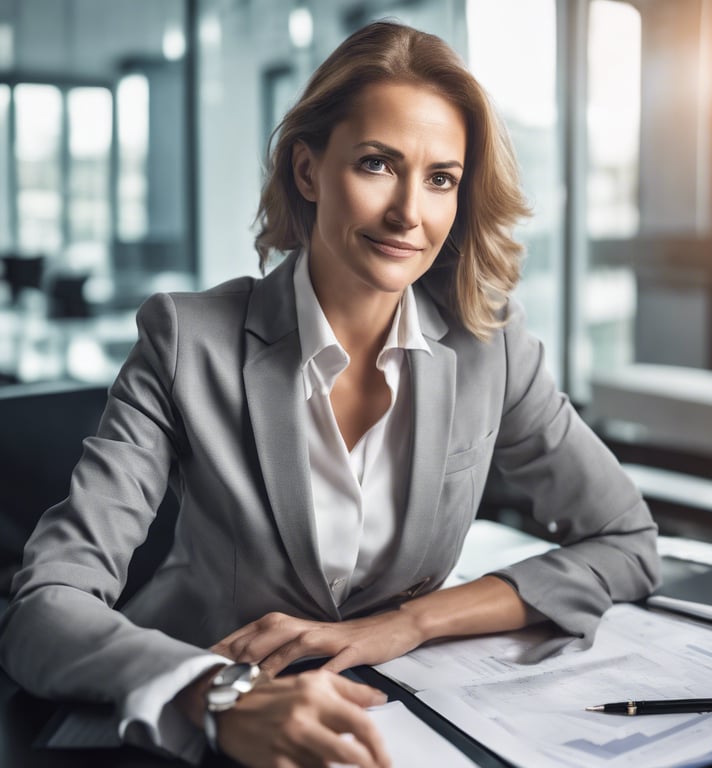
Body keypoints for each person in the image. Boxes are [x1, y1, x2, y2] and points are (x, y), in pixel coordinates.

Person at [0, 19, 660, 768]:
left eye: (441, 178)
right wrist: (217, 693)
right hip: (202, 732)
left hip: (389, 726)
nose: (409, 212)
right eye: (377, 164)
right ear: (309, 171)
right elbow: (44, 607)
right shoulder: (186, 340)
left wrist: (411, 622)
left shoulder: (491, 345)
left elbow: (626, 541)